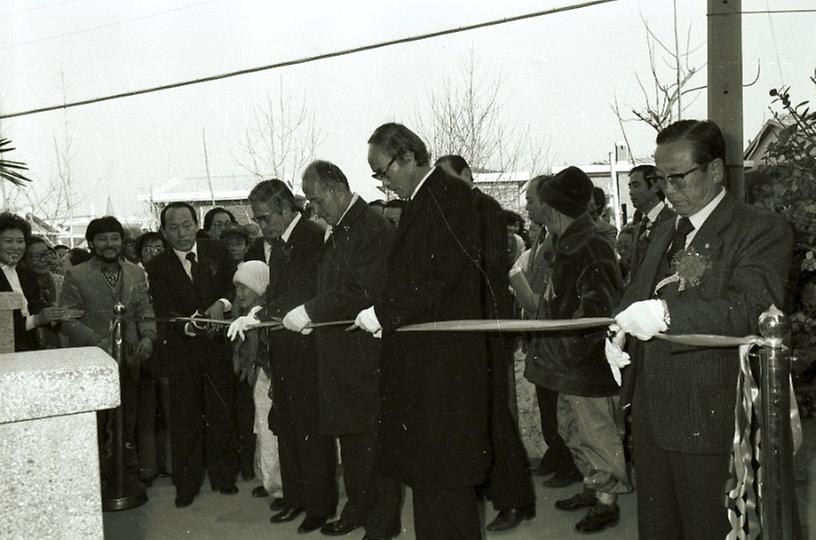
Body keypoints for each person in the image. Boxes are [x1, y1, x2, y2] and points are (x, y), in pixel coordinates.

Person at [610, 119, 793, 538]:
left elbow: (751, 309)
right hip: (652, 417)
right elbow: (636, 294)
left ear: (714, 171)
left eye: (678, 178)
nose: (667, 191)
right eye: (660, 179)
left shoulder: (759, 229)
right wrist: (616, 329)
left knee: (707, 530)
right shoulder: (665, 229)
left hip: (707, 420)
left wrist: (667, 315)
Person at [353, 123, 489, 539]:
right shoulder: (423, 199)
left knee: (446, 485)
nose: (382, 181)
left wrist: (384, 313)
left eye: (383, 170)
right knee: (431, 482)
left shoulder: (449, 196)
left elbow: (440, 274)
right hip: (427, 364)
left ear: (409, 156)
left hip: (444, 369)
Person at [275, 160, 401, 538]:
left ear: (335, 190)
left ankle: (381, 523)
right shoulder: (341, 226)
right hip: (340, 353)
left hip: (363, 354)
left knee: (370, 442)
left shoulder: (369, 227)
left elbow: (363, 288)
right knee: (352, 440)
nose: (312, 208)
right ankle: (359, 509)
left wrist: (310, 310)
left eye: (314, 199)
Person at [523, 167, 631, 534]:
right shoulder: (565, 244)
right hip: (564, 365)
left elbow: (599, 309)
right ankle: (591, 486)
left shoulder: (591, 246)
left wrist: (570, 346)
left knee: (596, 433)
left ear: (554, 208)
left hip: (585, 366)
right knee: (572, 430)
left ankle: (606, 503)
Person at [228, 179, 336, 534]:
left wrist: (264, 311)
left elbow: (305, 290)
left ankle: (319, 506)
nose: (261, 225)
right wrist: (257, 312)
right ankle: (296, 497)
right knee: (287, 425)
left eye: (264, 217)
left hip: (306, 346)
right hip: (284, 346)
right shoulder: (279, 241)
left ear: (286, 207)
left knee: (308, 430)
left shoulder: (310, 236)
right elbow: (276, 289)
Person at [436, 154, 536, 532]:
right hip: (464, 330)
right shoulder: (453, 209)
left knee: (493, 414)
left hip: (483, 328)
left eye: (450, 178)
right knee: (476, 415)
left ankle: (514, 500)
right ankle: (504, 493)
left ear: (467, 175)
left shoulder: (485, 210)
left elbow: (485, 269)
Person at [144, 202, 239, 508]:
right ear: (163, 231)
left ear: (197, 224)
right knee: (185, 417)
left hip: (218, 349)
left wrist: (222, 304)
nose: (182, 233)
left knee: (221, 412)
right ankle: (186, 485)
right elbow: (162, 309)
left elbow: (233, 288)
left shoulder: (217, 251)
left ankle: (224, 478)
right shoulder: (156, 266)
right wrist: (188, 326)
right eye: (173, 228)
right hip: (182, 352)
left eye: (187, 225)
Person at [59, 216, 158, 479]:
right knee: (99, 424)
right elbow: (67, 319)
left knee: (128, 421)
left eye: (114, 238)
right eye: (102, 239)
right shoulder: (75, 275)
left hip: (131, 359)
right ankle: (100, 479)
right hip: (95, 361)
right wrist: (97, 342)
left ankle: (127, 475)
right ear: (91, 243)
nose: (109, 244)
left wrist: (148, 337)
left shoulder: (136, 272)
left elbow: (145, 309)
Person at [510, 176, 582, 487]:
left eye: (530, 200)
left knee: (560, 404)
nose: (526, 207)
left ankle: (568, 464)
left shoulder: (561, 239)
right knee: (546, 401)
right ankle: (556, 454)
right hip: (539, 333)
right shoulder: (542, 236)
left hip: (554, 335)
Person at [229, 260, 283, 503]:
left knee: (270, 431)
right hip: (259, 377)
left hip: (270, 377)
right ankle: (268, 479)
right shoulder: (245, 312)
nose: (238, 294)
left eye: (244, 288)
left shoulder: (262, 312)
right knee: (260, 428)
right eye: (237, 288)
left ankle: (280, 486)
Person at [133, 230, 172, 485]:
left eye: (158, 248)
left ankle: (171, 463)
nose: (153, 253)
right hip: (142, 347)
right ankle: (147, 465)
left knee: (170, 408)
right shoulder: (135, 277)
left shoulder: (172, 273)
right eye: (148, 249)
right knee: (146, 410)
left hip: (168, 347)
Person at [0, 212, 64, 351]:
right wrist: (37, 320)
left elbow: (39, 309)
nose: (16, 247)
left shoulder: (26, 275)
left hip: (30, 353)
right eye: (8, 241)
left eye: (20, 241)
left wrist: (55, 315)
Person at [620, 164, 675, 280]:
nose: (630, 192)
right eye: (630, 187)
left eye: (636, 185)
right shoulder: (638, 227)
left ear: (655, 186)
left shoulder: (674, 222)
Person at [22, 236, 65, 348]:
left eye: (46, 254)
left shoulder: (63, 282)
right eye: (36, 256)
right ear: (24, 261)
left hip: (64, 348)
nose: (44, 260)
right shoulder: (20, 287)